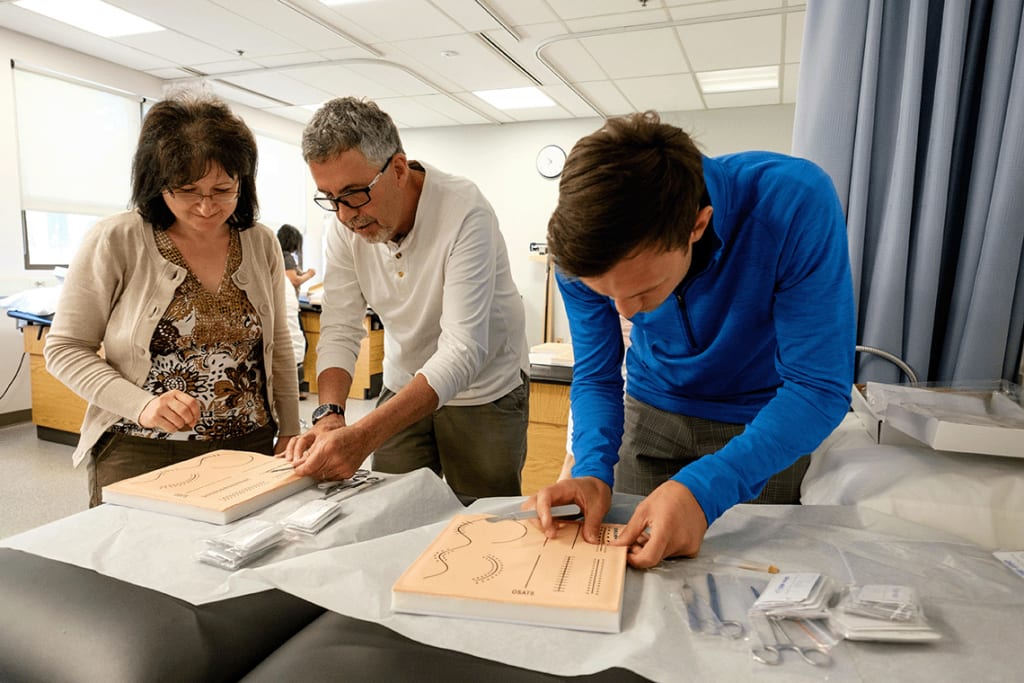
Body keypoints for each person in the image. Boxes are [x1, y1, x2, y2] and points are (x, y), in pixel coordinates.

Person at [530, 111, 855, 568]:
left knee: (753, 585)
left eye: (643, 291)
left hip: (763, 425)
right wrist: (589, 470)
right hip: (650, 413)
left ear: (697, 226)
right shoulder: (577, 255)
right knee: (627, 578)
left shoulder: (794, 203)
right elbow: (599, 375)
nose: (624, 312)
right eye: (608, 295)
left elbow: (819, 388)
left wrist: (706, 489)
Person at [45, 92, 301, 507]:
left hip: (248, 445)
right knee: (138, 567)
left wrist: (289, 427)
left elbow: (278, 347)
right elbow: (64, 349)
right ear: (156, 183)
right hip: (141, 448)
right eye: (186, 190)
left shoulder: (260, 242)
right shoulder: (118, 239)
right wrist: (142, 405)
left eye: (222, 189)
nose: (205, 206)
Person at [283, 96, 529, 502]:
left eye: (354, 194)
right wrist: (330, 415)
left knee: (483, 514)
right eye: (329, 197)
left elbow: (463, 350)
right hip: (405, 377)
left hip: (485, 385)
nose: (345, 215)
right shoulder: (343, 226)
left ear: (397, 169)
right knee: (390, 507)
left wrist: (364, 435)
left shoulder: (465, 212)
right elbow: (340, 328)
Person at [277, 223, 315, 399]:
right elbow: (294, 280)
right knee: (298, 344)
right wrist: (310, 275)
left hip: (284, 306)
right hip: (289, 308)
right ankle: (297, 388)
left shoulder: (275, 255)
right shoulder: (286, 257)